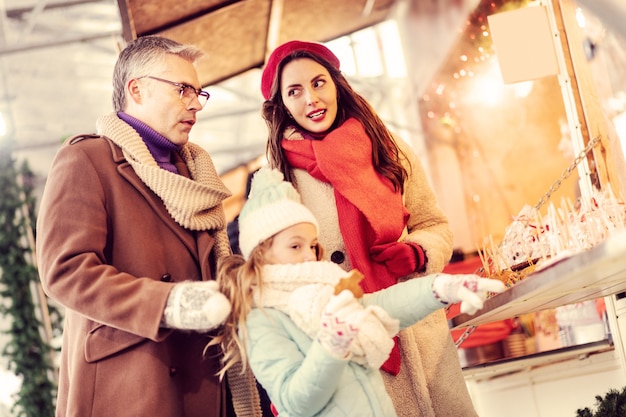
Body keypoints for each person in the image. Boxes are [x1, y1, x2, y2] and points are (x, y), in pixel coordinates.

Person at [35, 36, 261, 417]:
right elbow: (65, 271)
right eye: (183, 89)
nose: (195, 103)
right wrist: (169, 303)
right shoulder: (86, 159)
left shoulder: (195, 173)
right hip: (132, 384)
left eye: (199, 93)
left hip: (205, 378)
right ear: (135, 89)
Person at [259, 39, 476, 416]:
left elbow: (433, 223)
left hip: (420, 333)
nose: (311, 98)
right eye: (294, 91)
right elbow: (275, 277)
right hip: (349, 343)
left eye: (318, 82)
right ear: (282, 105)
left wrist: (419, 251)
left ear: (337, 85)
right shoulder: (276, 180)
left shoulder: (388, 149)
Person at [211, 167, 505, 417]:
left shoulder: (324, 287)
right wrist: (331, 345)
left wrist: (439, 288)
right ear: (260, 253)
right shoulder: (260, 316)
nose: (308, 256)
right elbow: (293, 399)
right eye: (294, 245)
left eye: (312, 245)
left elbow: (381, 305)